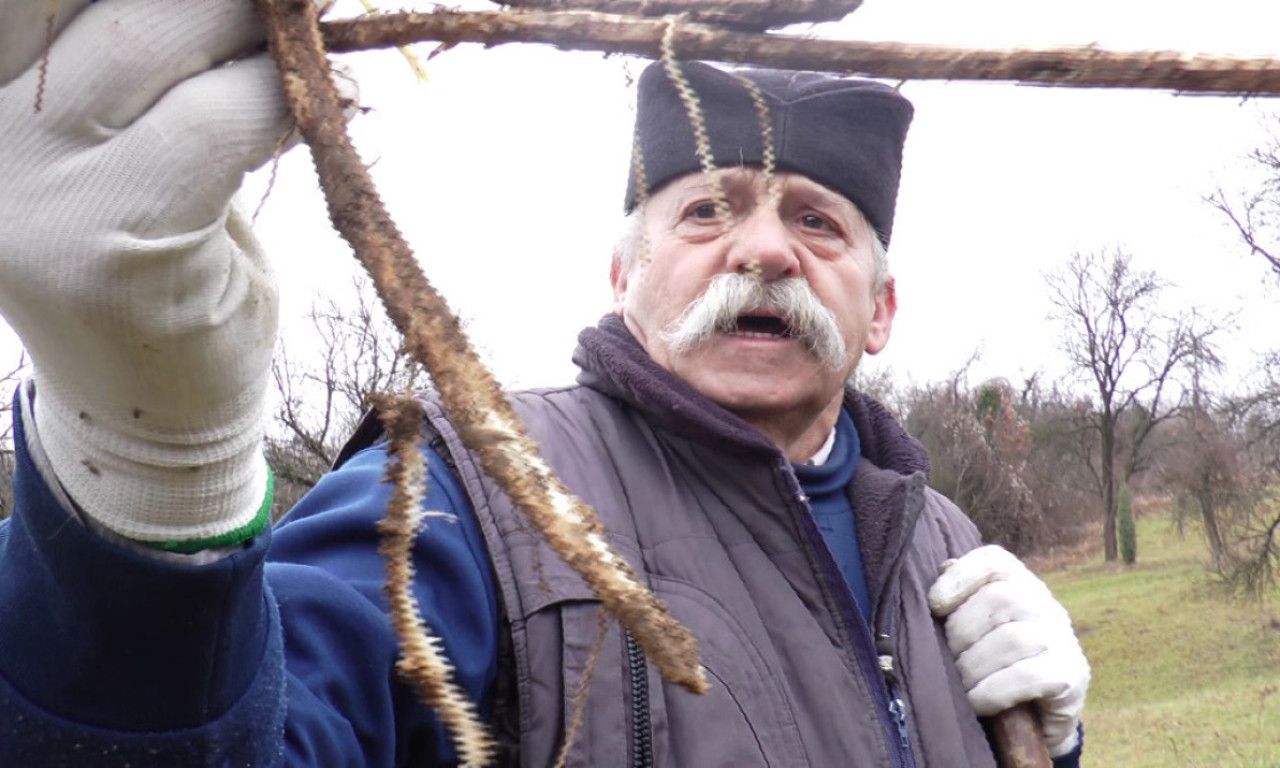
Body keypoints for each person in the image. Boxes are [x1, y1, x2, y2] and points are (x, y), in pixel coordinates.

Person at [0, 1, 1089, 766]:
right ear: (624, 279)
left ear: (881, 310)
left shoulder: (943, 545)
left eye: (816, 221)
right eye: (707, 210)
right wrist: (145, 490)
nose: (763, 251)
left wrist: (1053, 743)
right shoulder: (465, 499)